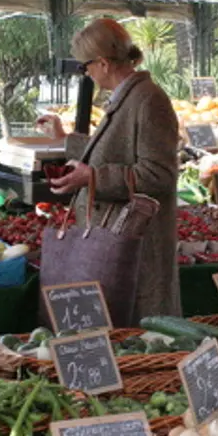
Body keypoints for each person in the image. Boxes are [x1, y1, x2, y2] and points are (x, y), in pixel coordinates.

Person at [36, 18, 181, 318]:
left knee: (139, 334)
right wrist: (66, 141)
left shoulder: (149, 100)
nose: (85, 73)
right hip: (118, 241)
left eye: (84, 66)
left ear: (102, 63)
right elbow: (117, 148)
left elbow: (159, 175)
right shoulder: (130, 96)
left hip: (135, 246)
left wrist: (93, 177)